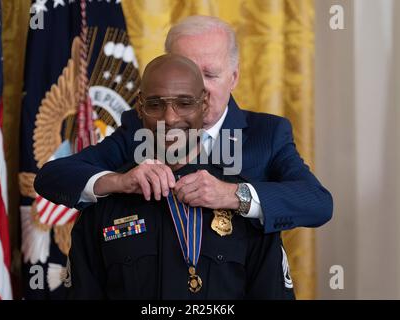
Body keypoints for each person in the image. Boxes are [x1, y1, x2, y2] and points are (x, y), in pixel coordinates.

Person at [35, 15, 333, 234]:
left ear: (234, 78)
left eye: (210, 75)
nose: (197, 90)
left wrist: (232, 195)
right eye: (186, 72)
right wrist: (119, 180)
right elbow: (52, 177)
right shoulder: (141, 127)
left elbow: (318, 203)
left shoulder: (267, 134)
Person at [67, 54, 295, 299]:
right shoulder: (104, 204)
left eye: (184, 103)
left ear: (204, 104)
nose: (170, 118)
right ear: (140, 108)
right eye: (155, 105)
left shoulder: (242, 203)